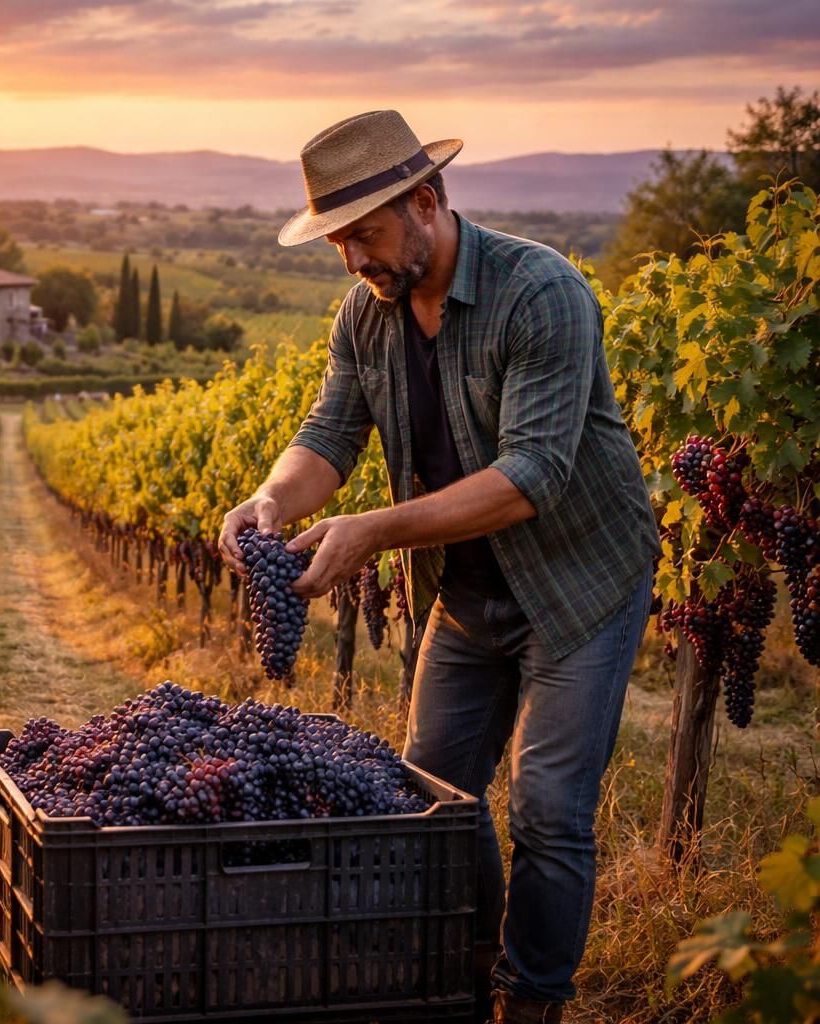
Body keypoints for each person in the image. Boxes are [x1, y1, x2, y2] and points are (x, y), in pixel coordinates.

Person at [217, 110, 658, 1024]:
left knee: (547, 809)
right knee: (434, 795)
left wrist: (374, 531)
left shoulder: (542, 292)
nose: (353, 262)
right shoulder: (365, 314)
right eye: (339, 242)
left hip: (577, 585)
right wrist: (271, 499)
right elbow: (329, 434)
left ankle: (532, 1002)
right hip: (464, 593)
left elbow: (530, 477)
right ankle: (473, 967)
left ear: (425, 202)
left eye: (366, 236)